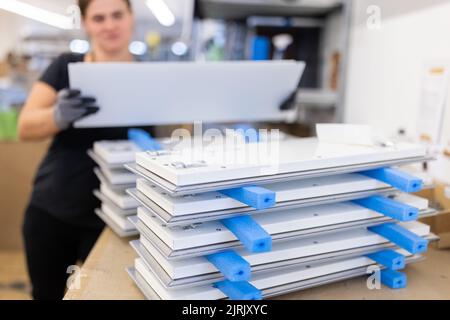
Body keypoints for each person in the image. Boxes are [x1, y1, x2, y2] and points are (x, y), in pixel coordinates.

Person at [18, 0, 151, 300]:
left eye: (117, 15)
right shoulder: (67, 66)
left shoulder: (150, 78)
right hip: (53, 213)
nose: (109, 25)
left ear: (131, 18)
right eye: (99, 18)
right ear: (86, 23)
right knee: (47, 295)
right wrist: (57, 116)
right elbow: (25, 127)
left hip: (115, 222)